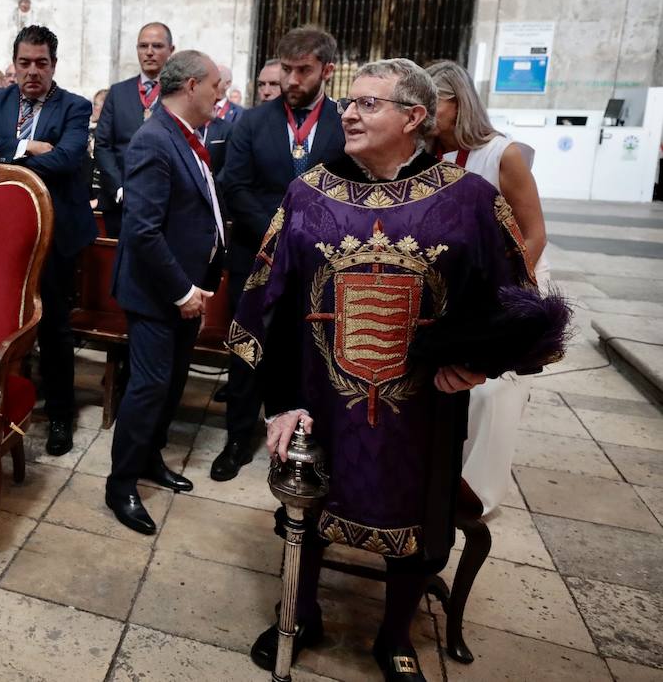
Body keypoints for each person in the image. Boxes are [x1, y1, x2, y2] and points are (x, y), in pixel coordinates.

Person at [232, 59, 566, 682]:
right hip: (320, 401)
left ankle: (395, 638)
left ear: (415, 117)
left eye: (368, 104)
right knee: (305, 507)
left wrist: (477, 365)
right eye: (347, 103)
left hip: (424, 408)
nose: (349, 114)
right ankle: (300, 614)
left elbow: (517, 303)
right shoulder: (309, 193)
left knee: (419, 524)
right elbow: (266, 302)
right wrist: (279, 402)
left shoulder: (469, 200)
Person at [213, 26, 346, 482]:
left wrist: (309, 236)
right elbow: (234, 184)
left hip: (320, 263)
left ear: (327, 70)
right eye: (286, 69)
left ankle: (301, 436)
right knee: (248, 350)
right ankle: (237, 437)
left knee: (307, 350)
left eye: (303, 70)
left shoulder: (343, 122)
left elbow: (351, 187)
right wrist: (281, 231)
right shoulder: (252, 121)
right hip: (257, 256)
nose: (292, 79)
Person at [105, 51, 227, 535]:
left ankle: (150, 457)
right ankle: (120, 484)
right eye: (216, 84)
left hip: (186, 287)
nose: (221, 92)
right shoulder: (154, 140)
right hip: (159, 293)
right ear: (192, 85)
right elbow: (143, 230)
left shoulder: (187, 137)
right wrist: (181, 291)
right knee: (148, 387)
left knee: (171, 383)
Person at [427, 59, 549, 515]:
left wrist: (506, 298)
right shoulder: (426, 158)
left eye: (431, 102)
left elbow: (533, 233)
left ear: (458, 103)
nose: (422, 113)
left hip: (509, 286)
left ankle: (478, 493)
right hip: (455, 288)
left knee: (492, 392)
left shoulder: (503, 154)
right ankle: (442, 475)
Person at [0, 25, 97, 456]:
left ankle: (61, 415)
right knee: (5, 321)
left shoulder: (76, 108)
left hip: (57, 234)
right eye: (24, 62)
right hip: (5, 238)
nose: (32, 71)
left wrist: (5, 150)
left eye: (41, 63)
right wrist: (30, 146)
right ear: (14, 63)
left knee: (55, 329)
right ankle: (5, 399)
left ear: (54, 65)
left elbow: (66, 160)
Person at [95, 22, 175, 237]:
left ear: (171, 50)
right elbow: (103, 144)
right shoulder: (118, 92)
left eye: (157, 46)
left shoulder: (177, 94)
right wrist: (118, 187)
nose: (149, 52)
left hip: (163, 204)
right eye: (143, 46)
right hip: (119, 202)